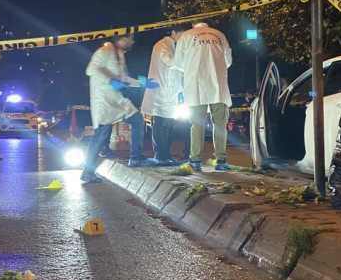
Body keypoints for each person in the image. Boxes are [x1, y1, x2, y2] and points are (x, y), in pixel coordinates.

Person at [81, 34, 159, 184]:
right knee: (101, 135)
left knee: (137, 119)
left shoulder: (120, 55)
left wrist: (144, 83)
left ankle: (136, 158)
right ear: (122, 38)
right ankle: (87, 172)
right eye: (131, 38)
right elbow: (91, 69)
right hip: (103, 99)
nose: (133, 41)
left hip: (116, 99)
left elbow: (124, 79)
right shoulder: (106, 49)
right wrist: (111, 79)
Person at [173, 22, 233, 171]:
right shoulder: (219, 35)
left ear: (193, 23)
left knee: (197, 124)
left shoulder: (186, 36)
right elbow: (228, 61)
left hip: (195, 86)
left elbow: (179, 63)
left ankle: (195, 160)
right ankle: (221, 160)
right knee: (219, 124)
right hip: (218, 86)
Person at [141, 27, 187, 165]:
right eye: (182, 34)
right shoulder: (162, 45)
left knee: (167, 125)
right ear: (174, 32)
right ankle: (161, 156)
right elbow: (170, 62)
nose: (184, 38)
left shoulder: (172, 46)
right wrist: (189, 62)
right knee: (161, 125)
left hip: (169, 94)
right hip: (161, 93)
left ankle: (165, 155)